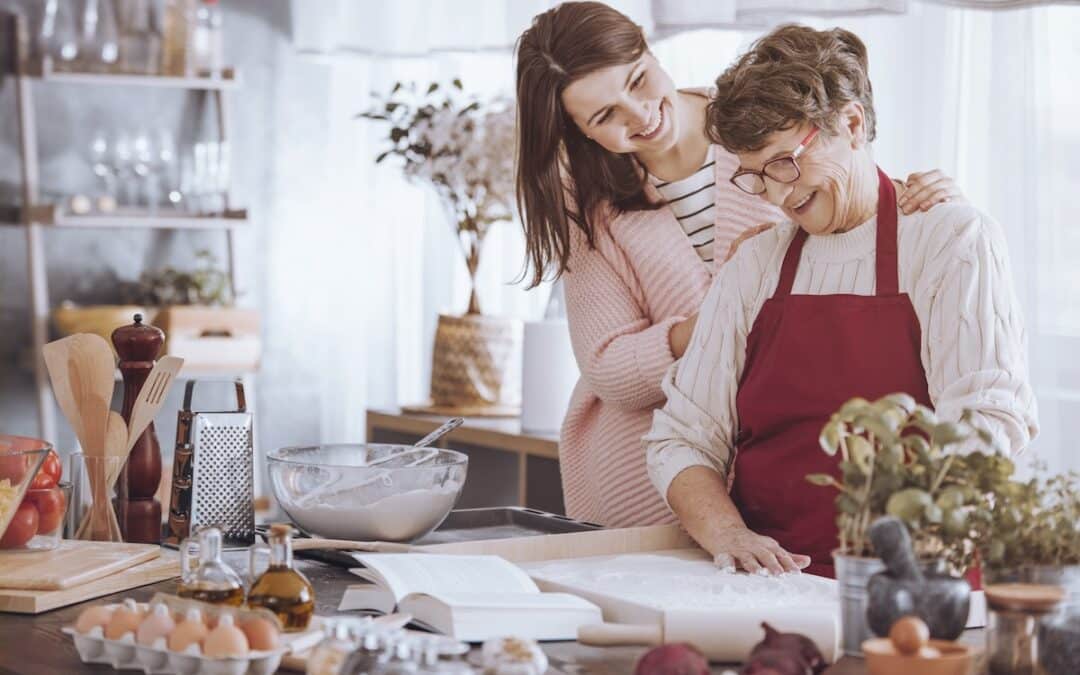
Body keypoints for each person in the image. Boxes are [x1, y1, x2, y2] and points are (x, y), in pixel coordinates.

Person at [515, 1, 963, 527]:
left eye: (637, 80)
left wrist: (927, 200)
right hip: (642, 474)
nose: (638, 115)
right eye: (604, 116)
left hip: (773, 461)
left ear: (649, 45)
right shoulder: (584, 201)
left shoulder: (751, 117)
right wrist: (723, 318)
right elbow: (610, 369)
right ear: (580, 132)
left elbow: (847, 183)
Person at [644, 24, 1038, 576]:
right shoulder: (755, 264)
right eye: (756, 177)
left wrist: (907, 562)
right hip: (773, 584)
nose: (779, 196)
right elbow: (682, 437)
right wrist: (728, 533)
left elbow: (988, 417)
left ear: (851, 123)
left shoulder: (950, 239)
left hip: (915, 585)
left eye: (785, 161)